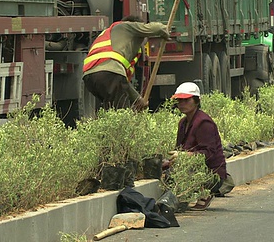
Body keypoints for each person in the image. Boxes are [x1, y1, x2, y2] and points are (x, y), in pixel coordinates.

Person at [82, 15, 170, 111]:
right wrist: (165, 31)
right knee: (121, 112)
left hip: (89, 77)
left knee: (111, 110)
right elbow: (156, 28)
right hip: (108, 73)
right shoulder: (127, 26)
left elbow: (122, 81)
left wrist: (138, 100)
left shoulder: (111, 36)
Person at [168, 82, 227, 211]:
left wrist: (186, 156)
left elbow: (209, 153)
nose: (181, 104)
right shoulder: (183, 123)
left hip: (210, 173)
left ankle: (206, 191)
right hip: (193, 169)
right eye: (179, 101)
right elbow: (180, 149)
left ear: (196, 101)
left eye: (186, 100)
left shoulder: (204, 123)